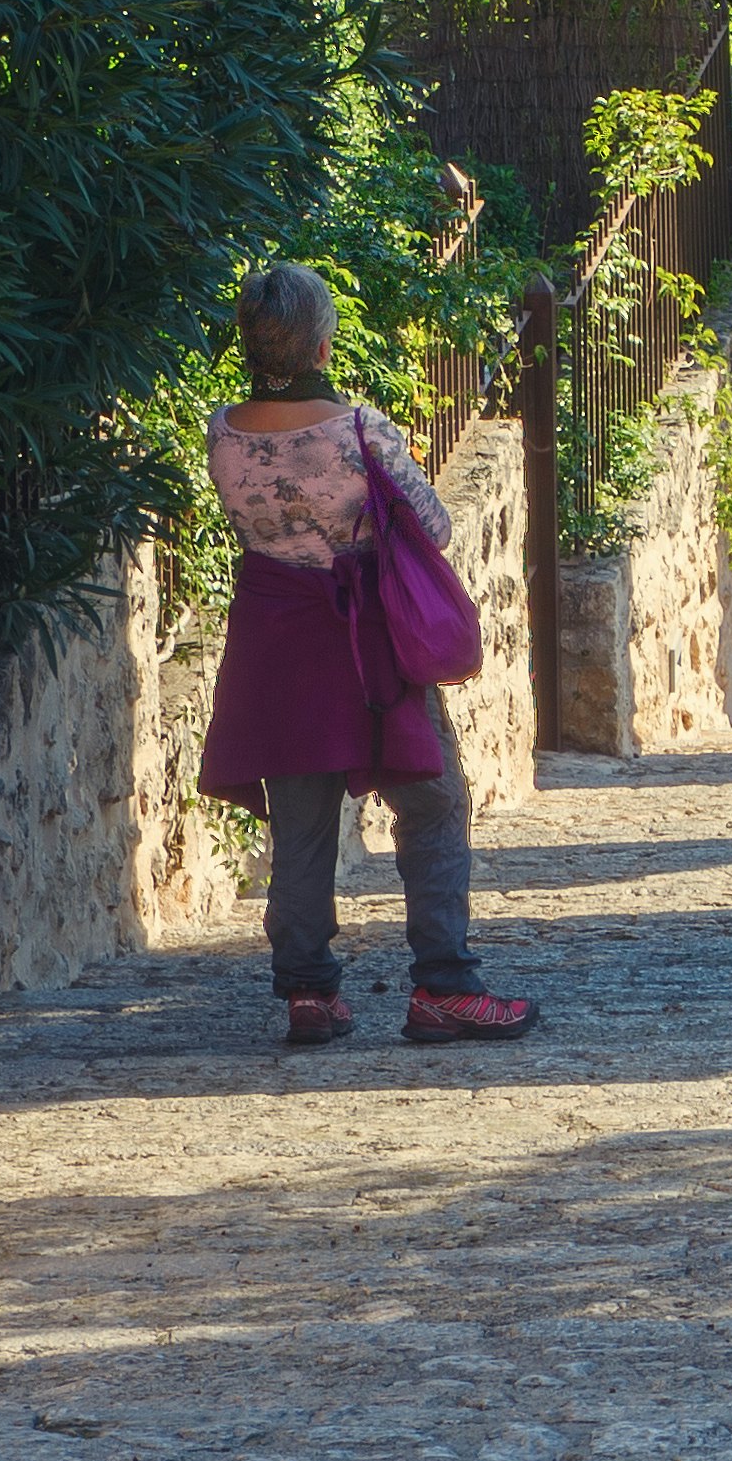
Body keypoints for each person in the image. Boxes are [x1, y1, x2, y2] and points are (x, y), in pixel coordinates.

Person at [193, 263, 536, 1048]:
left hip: (276, 639)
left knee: (303, 819)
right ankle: (445, 985)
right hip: (366, 636)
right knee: (433, 802)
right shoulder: (358, 430)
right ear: (321, 345)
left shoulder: (224, 432)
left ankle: (309, 994)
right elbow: (434, 525)